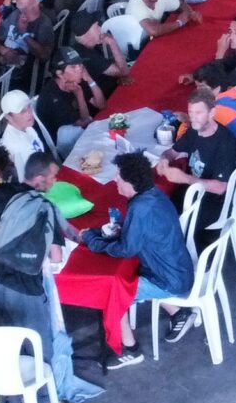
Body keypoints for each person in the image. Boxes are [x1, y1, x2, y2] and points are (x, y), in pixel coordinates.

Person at [0, 150, 102, 403]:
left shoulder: (3, 193)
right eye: (53, 177)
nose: (55, 181)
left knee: (5, 342)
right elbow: (55, 257)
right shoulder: (45, 208)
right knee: (39, 344)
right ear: (40, 179)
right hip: (27, 288)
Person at [83, 154, 200, 367]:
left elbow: (126, 250)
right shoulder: (153, 194)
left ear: (131, 182)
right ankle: (179, 313)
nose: (115, 181)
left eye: (119, 178)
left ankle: (130, 350)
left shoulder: (140, 208)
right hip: (178, 268)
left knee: (113, 294)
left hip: (168, 279)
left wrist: (92, 240)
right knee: (130, 277)